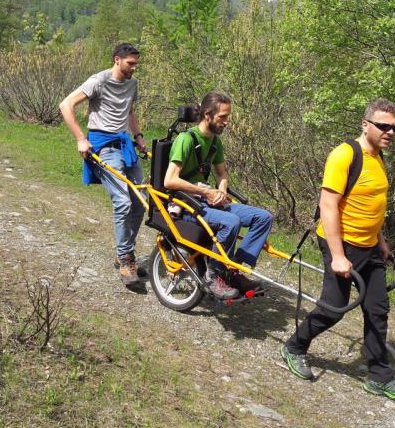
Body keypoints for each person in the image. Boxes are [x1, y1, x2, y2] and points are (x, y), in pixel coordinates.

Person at [280, 98, 395, 404]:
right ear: (365, 124)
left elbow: (371, 205)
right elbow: (328, 205)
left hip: (369, 247)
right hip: (341, 244)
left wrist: (381, 240)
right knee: (333, 308)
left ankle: (379, 377)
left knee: (377, 310)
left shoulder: (379, 157)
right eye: (384, 126)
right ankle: (294, 347)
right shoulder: (344, 155)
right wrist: (338, 255)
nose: (390, 132)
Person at [163, 91, 274, 300]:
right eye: (223, 117)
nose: (227, 122)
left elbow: (222, 173)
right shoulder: (186, 140)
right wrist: (206, 191)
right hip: (186, 203)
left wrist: (221, 191)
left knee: (263, 217)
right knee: (231, 222)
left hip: (208, 200)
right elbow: (169, 180)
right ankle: (213, 276)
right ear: (207, 115)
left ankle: (232, 270)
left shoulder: (214, 142)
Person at [59, 42, 148, 287]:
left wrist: (138, 137)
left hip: (125, 145)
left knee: (141, 202)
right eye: (130, 63)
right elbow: (65, 105)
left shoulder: (132, 84)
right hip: (102, 146)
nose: (133, 68)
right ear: (116, 59)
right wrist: (80, 139)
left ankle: (126, 252)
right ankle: (124, 258)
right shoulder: (98, 81)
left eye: (135, 64)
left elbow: (129, 112)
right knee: (122, 202)